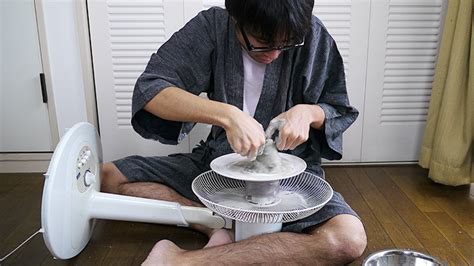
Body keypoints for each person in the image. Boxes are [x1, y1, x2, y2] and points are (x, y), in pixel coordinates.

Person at [101, 0, 367, 264]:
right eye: (261, 41)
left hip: (289, 180)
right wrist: (226, 115)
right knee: (108, 177)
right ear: (235, 18)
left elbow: (338, 108)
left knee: (348, 239)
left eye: (285, 44)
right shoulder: (212, 27)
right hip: (218, 166)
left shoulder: (312, 34)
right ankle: (216, 227)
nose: (274, 54)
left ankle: (181, 261)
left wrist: (309, 113)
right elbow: (151, 90)